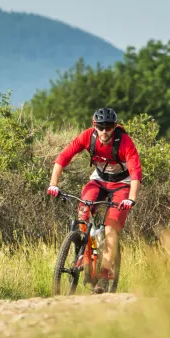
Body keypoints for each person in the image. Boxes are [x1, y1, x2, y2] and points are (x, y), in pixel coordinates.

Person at [47, 107, 142, 293]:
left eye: (108, 127)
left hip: (122, 184)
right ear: (94, 126)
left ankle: (105, 276)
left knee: (110, 228)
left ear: (114, 126)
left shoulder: (124, 142)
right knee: (84, 211)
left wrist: (131, 198)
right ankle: (86, 259)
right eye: (100, 127)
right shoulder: (88, 136)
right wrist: (53, 184)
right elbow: (63, 157)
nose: (104, 131)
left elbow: (135, 172)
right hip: (99, 180)